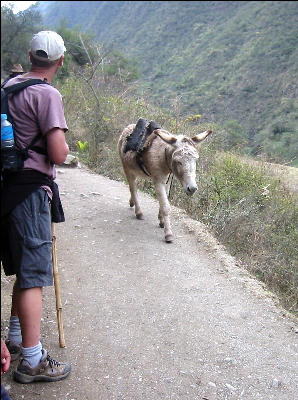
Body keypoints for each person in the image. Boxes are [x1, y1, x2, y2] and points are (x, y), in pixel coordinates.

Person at [0, 31, 71, 384]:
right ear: (60, 61)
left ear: (30, 56)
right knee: (33, 276)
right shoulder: (47, 94)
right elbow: (58, 153)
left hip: (9, 189)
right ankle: (32, 360)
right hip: (31, 193)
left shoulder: (10, 87)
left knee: (24, 267)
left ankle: (16, 336)